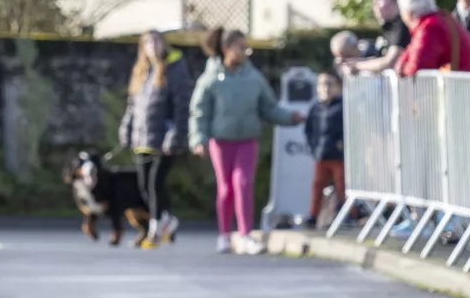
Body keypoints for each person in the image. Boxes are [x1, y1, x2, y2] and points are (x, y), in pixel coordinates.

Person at [189, 28, 304, 255]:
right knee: (226, 189)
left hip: (247, 140)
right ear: (226, 49)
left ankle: (245, 234)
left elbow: (269, 107)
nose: (246, 52)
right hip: (221, 141)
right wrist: (198, 139)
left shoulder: (254, 78)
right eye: (241, 47)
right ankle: (224, 234)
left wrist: (290, 117)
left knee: (243, 183)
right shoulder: (210, 79)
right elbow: (199, 112)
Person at [118, 29, 192, 247]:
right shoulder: (142, 71)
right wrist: (126, 129)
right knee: (144, 186)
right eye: (148, 43)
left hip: (164, 139)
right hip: (143, 139)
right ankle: (168, 220)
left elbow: (182, 106)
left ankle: (155, 229)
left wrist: (175, 135)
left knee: (155, 184)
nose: (153, 47)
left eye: (156, 42)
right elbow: (133, 106)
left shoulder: (175, 70)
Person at [394, 0, 470, 77]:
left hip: (460, 83)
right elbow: (411, 53)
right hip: (465, 81)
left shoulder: (430, 27)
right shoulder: (441, 20)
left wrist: (402, 70)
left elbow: (417, 67)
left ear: (409, 14)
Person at [339, 0, 410, 76]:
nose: (374, 5)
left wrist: (357, 66)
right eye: (373, 0)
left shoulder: (402, 24)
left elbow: (391, 61)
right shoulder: (390, 26)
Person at [304, 70, 346, 229]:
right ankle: (313, 215)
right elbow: (309, 130)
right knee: (317, 185)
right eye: (322, 84)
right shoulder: (315, 108)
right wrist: (314, 147)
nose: (326, 88)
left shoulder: (342, 106)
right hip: (321, 155)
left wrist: (342, 142)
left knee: (342, 185)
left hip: (338, 156)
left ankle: (351, 214)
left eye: (330, 84)